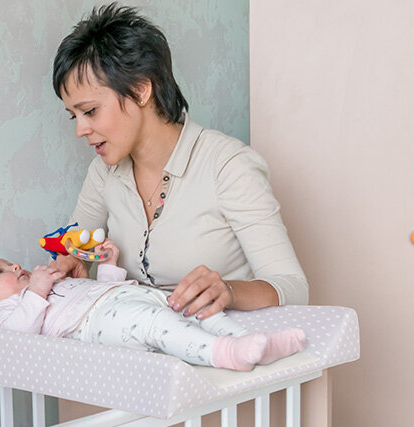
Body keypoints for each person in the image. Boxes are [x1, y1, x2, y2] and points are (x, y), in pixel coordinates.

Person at [51, 3, 308, 322]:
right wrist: (71, 264)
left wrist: (228, 291)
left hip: (225, 343)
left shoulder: (227, 165)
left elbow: (293, 287)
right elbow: (74, 246)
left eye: (90, 111)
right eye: (73, 116)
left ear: (140, 90)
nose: (80, 130)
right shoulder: (104, 172)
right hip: (142, 345)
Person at [0, 241, 306, 371]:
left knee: (195, 307)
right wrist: (35, 290)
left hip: (121, 299)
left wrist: (108, 267)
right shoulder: (5, 315)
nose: (15, 266)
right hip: (94, 325)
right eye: (1, 271)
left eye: (10, 263)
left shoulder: (42, 288)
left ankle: (250, 341)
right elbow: (18, 336)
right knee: (157, 323)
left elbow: (95, 291)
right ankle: (226, 353)